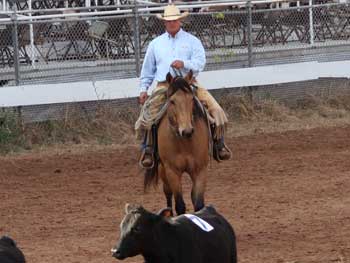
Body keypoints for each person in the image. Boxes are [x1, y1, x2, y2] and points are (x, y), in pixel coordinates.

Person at [135, 4, 231, 168]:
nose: (172, 23)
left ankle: (218, 143)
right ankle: (149, 149)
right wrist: (144, 89)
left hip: (188, 84)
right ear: (164, 23)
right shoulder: (155, 44)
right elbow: (148, 70)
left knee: (216, 109)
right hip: (165, 86)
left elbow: (200, 63)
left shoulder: (192, 41)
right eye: (168, 21)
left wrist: (184, 63)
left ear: (180, 21)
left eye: (174, 20)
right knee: (147, 115)